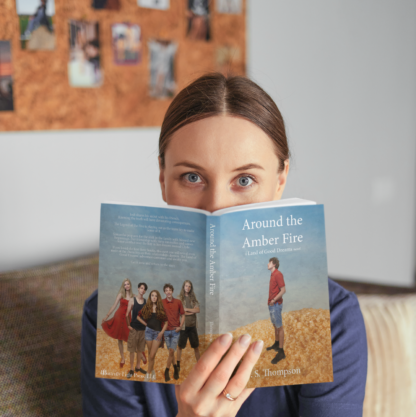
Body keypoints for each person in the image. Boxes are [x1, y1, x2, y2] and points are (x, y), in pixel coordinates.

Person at [82, 72, 368, 417]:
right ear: (162, 178)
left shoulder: (335, 318)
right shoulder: (107, 316)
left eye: (244, 180)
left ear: (280, 180)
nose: (216, 206)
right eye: (192, 177)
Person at [101, 279, 133, 368]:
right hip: (118, 318)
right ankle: (122, 358)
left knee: (131, 339)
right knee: (120, 339)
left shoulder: (134, 297)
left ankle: (139, 356)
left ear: (130, 285)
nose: (126, 286)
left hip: (127, 319)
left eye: (128, 284)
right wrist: (106, 316)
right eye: (125, 284)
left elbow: (137, 309)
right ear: (123, 286)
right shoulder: (120, 295)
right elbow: (114, 305)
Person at [137, 290, 168, 382]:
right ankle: (153, 371)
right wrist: (146, 324)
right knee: (151, 355)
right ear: (150, 297)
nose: (154, 297)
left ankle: (148, 374)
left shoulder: (161, 309)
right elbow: (138, 316)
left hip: (157, 334)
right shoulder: (147, 307)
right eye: (152, 295)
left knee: (152, 355)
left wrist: (161, 332)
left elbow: (166, 323)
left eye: (155, 296)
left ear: (158, 298)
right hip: (148, 332)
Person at [162, 284, 185, 382]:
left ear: (172, 291)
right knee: (171, 352)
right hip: (166, 331)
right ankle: (175, 367)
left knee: (171, 351)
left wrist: (180, 327)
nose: (168, 292)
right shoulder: (161, 302)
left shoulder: (178, 302)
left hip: (175, 331)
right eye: (166, 290)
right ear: (164, 292)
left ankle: (166, 370)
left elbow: (183, 315)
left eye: (169, 290)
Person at [265, 257, 286, 364]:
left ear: (274, 264)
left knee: (279, 327)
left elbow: (283, 290)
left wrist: (273, 300)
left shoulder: (278, 274)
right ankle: (277, 343)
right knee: (275, 325)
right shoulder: (273, 274)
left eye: (269, 262)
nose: (267, 264)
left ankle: (281, 352)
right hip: (272, 304)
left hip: (276, 304)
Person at [125, 282, 148, 378]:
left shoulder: (146, 302)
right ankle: (131, 369)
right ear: (138, 289)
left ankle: (138, 367)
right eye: (141, 288)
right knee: (132, 350)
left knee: (140, 350)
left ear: (145, 291)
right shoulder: (132, 300)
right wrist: (128, 325)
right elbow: (127, 314)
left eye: (144, 289)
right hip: (134, 329)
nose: (142, 290)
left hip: (143, 330)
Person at [177, 280, 201, 372]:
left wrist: (186, 309)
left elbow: (198, 310)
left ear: (191, 288)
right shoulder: (179, 298)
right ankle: (178, 365)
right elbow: (180, 312)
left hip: (192, 326)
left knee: (196, 346)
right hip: (183, 326)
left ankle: (199, 365)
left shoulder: (193, 298)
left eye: (189, 286)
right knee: (180, 346)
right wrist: (191, 311)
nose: (188, 288)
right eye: (186, 286)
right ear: (183, 287)